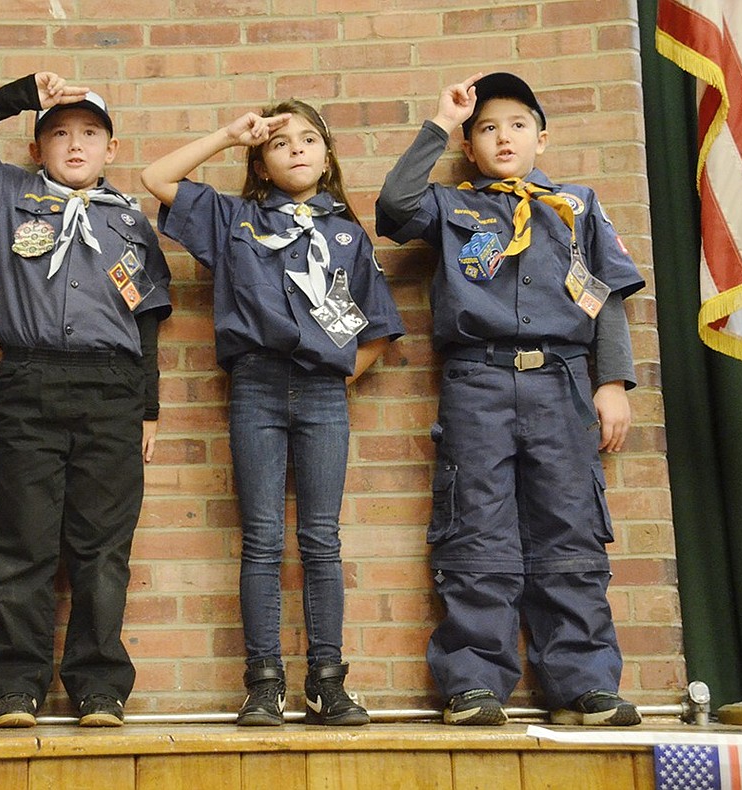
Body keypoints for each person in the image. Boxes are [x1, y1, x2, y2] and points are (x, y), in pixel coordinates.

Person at [375, 72, 646, 727]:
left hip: (562, 383)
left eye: (518, 125)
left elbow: (604, 296)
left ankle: (584, 680)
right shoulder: (452, 206)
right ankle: (472, 680)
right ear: (471, 146)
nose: (503, 137)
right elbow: (392, 207)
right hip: (478, 381)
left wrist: (611, 382)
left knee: (570, 525)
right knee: (476, 525)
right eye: (488, 128)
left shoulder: (576, 206)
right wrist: (441, 123)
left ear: (541, 139)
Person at [141, 100, 404, 727]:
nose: (297, 149)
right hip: (255, 388)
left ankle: (327, 681)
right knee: (260, 540)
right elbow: (157, 179)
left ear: (329, 154)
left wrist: (340, 384)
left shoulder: (346, 233)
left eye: (310, 138)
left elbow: (377, 334)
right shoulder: (234, 219)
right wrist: (230, 136)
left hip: (320, 391)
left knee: (321, 540)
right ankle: (264, 683)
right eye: (280, 142)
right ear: (260, 162)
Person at [0, 74, 172, 729]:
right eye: (58, 132)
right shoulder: (11, 193)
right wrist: (20, 95)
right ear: (37, 147)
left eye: (89, 133)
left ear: (111, 148)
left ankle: (99, 687)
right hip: (30, 382)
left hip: (112, 390)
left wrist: (148, 407)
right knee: (21, 541)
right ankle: (16, 684)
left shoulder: (129, 220)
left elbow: (148, 318)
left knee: (102, 546)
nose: (74, 144)